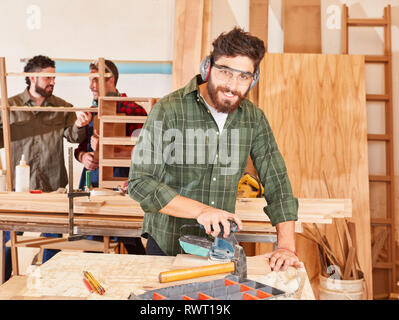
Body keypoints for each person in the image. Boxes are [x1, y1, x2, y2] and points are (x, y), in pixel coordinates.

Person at [128, 27, 302, 271]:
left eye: (243, 77)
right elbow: (140, 182)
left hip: (219, 250)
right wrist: (202, 211)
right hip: (166, 248)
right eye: (225, 72)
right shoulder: (168, 110)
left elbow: (278, 182)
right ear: (207, 68)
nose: (232, 85)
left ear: (254, 79)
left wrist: (285, 245)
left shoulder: (253, 119)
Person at [0, 55, 91, 280]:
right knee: (9, 240)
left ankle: (51, 285)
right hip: (18, 188)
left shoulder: (62, 107)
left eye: (53, 76)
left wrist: (80, 124)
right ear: (31, 77)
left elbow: (72, 136)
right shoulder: (10, 105)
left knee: (53, 241)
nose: (52, 81)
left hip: (53, 186)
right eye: (47, 77)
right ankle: (5, 285)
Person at [74, 59, 146, 254]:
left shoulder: (133, 110)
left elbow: (144, 150)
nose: (91, 86)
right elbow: (79, 148)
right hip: (93, 184)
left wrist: (109, 149)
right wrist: (83, 157)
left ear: (110, 80)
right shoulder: (91, 110)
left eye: (95, 80)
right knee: (92, 242)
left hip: (121, 183)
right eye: (90, 80)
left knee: (129, 238)